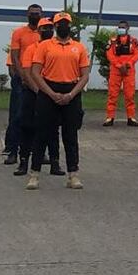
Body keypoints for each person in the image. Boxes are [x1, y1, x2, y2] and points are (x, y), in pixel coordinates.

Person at [26, 12, 90, 190]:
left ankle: (73, 175)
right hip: (49, 90)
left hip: (71, 90)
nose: (63, 26)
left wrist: (71, 94)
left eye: (66, 23)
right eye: (60, 23)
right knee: (42, 133)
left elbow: (85, 75)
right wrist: (50, 93)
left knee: (71, 135)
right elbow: (35, 72)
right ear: (55, 26)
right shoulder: (45, 46)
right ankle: (34, 174)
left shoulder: (79, 47)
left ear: (70, 25)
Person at [14, 17, 61, 177]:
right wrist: (38, 91)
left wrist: (50, 92)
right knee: (27, 127)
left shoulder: (56, 48)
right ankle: (23, 162)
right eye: (44, 28)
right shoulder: (31, 49)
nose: (48, 31)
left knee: (52, 129)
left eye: (50, 28)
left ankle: (55, 163)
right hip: (33, 93)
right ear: (39, 31)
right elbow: (27, 73)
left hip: (50, 94)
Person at [4, 3, 42, 166]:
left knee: (39, 117)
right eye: (32, 13)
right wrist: (22, 77)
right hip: (21, 80)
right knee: (17, 116)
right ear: (27, 15)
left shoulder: (44, 34)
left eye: (37, 13)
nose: (34, 16)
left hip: (39, 81)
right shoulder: (19, 33)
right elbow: (15, 57)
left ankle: (38, 151)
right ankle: (13, 151)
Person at [104, 20, 138, 127]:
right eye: (119, 27)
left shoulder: (134, 41)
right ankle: (110, 117)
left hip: (129, 70)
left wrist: (128, 64)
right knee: (112, 94)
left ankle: (131, 117)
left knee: (130, 94)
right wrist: (119, 65)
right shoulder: (112, 41)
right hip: (116, 70)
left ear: (128, 28)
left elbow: (137, 54)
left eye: (123, 27)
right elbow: (109, 54)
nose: (121, 29)